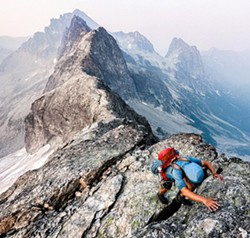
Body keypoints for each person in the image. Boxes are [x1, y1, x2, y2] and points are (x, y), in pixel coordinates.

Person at [151, 147, 223, 212]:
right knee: (167, 186)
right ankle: (160, 194)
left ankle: (180, 198)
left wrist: (214, 173)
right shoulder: (177, 172)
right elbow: (184, 191)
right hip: (170, 174)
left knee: (191, 187)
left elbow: (205, 163)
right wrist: (205, 200)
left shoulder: (187, 159)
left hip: (182, 171)